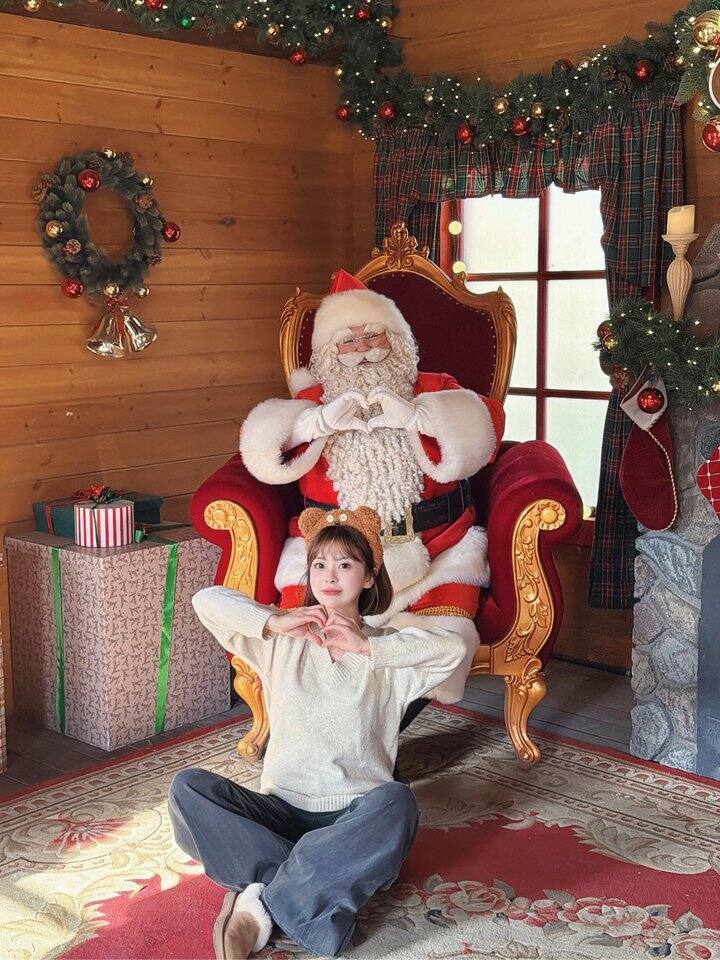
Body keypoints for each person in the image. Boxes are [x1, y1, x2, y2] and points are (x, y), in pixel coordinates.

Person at [168, 506, 466, 959]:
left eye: (345, 564)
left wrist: (367, 646)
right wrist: (274, 621)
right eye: (320, 564)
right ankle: (311, 882)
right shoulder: (281, 642)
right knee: (188, 788)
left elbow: (454, 650)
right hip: (280, 810)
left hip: (353, 815)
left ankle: (261, 900)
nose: (330, 576)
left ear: (369, 577)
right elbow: (205, 601)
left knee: (397, 804)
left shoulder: (385, 653)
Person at [239, 268, 505, 711]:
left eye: (373, 335)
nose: (362, 349)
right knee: (305, 649)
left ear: (396, 340)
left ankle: (381, 730)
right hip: (333, 560)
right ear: (328, 353)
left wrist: (418, 417)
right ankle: (323, 730)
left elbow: (487, 428)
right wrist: (315, 424)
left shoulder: (434, 386)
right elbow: (262, 447)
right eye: (347, 340)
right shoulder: (312, 403)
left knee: (441, 647)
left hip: (438, 552)